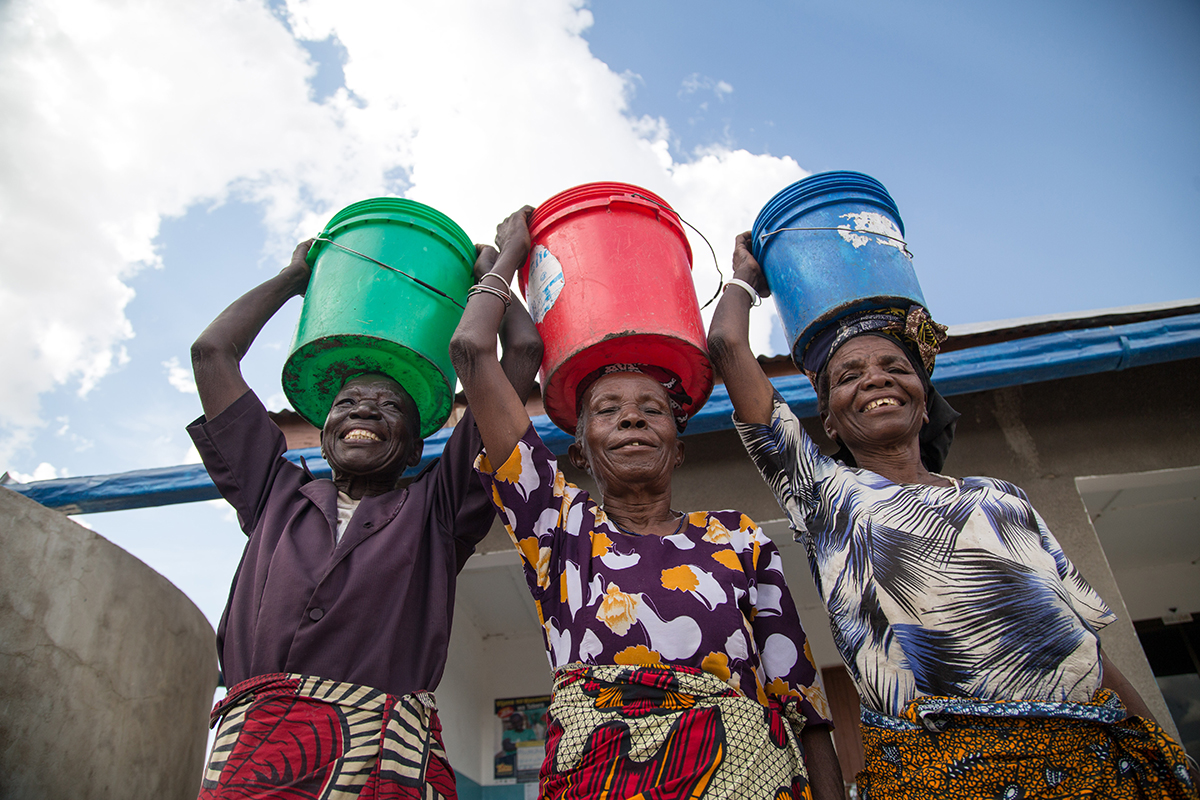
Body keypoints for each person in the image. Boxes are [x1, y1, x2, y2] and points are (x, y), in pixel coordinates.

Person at [707, 231, 1199, 799]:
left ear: (923, 396)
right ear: (832, 425)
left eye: (895, 365)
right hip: (943, 775)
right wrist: (746, 277)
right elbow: (726, 345)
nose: (875, 377)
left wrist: (1171, 757)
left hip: (1094, 765)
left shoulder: (1003, 498)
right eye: (848, 376)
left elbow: (1085, 648)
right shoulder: (824, 496)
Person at [449, 208, 844, 800]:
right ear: (580, 451)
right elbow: (474, 351)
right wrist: (509, 257)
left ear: (677, 449)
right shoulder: (559, 527)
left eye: (651, 409)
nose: (631, 415)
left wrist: (741, 280)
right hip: (598, 780)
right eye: (607, 411)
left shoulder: (737, 539)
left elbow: (802, 701)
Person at [189, 238, 542, 799]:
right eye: (347, 402)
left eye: (388, 407)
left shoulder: (438, 509)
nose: (363, 410)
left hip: (387, 764)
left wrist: (494, 267)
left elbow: (521, 353)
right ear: (323, 436)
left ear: (413, 450)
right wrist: (294, 277)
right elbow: (212, 354)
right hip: (255, 759)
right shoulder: (274, 492)